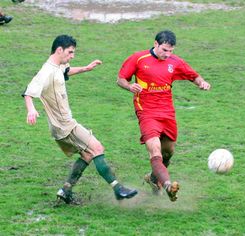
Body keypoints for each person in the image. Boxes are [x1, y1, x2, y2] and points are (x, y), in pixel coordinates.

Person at [23, 35, 137, 204]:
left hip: (61, 126)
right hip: (65, 126)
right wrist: (31, 110)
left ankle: (66, 190)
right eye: (70, 52)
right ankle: (118, 189)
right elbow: (29, 92)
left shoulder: (58, 66)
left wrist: (86, 68)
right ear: (59, 50)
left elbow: (66, 71)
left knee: (87, 154)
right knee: (97, 148)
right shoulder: (46, 72)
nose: (72, 56)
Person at [117, 30, 210, 202]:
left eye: (171, 51)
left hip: (167, 113)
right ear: (155, 44)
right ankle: (167, 185)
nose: (167, 54)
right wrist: (129, 86)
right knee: (155, 151)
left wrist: (201, 83)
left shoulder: (174, 62)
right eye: (164, 50)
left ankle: (153, 179)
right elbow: (121, 79)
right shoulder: (139, 58)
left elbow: (193, 75)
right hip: (146, 112)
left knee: (168, 152)